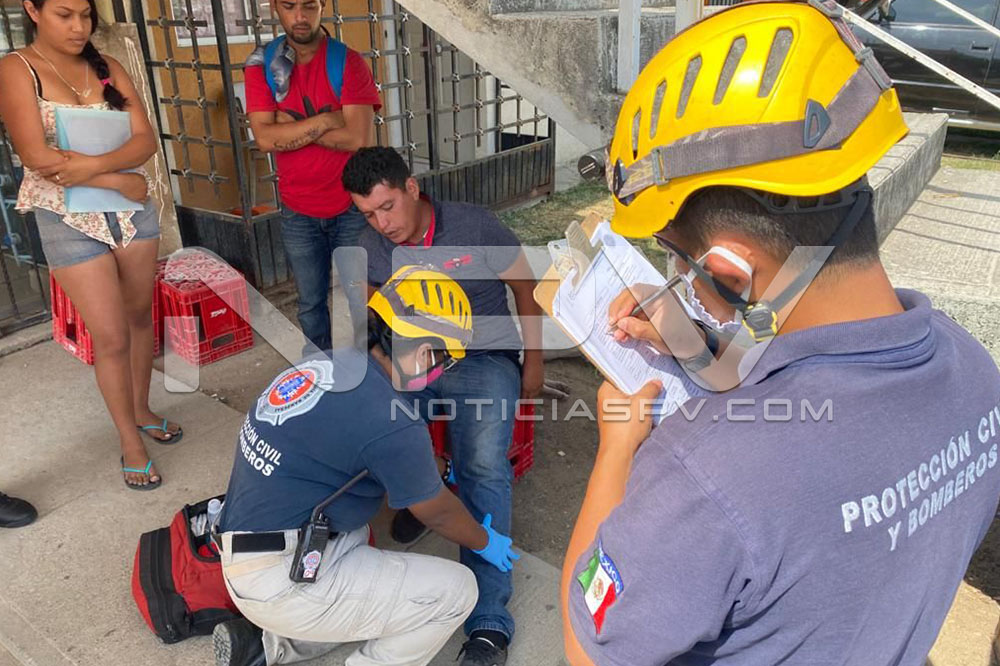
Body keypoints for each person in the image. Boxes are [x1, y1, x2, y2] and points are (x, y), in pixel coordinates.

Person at [561, 2, 1000, 665]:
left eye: (676, 259)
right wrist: (692, 339)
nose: (676, 277)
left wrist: (617, 449)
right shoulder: (973, 369)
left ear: (729, 267)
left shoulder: (705, 474)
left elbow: (588, 651)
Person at [212, 266, 519, 666]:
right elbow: (438, 512)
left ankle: (267, 646)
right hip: (280, 578)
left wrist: (439, 470)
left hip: (248, 548)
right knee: (456, 592)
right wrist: (483, 541)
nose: (441, 372)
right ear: (425, 352)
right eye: (445, 359)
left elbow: (368, 444)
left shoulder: (332, 363)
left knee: (368, 547)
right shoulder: (394, 421)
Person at [344, 146, 544, 666]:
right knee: (368, 430)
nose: (382, 223)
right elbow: (366, 322)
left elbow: (526, 289)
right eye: (368, 213)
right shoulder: (371, 245)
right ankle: (427, 494)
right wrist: (387, 372)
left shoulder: (474, 226)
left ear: (411, 188)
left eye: (387, 206)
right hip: (414, 360)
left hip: (484, 358)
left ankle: (489, 619)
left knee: (484, 467)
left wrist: (534, 362)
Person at [0, 0, 180, 490]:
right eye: (64, 15)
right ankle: (129, 441)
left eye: (85, 14)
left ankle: (142, 409)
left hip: (131, 213)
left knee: (140, 318)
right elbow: (37, 157)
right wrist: (119, 179)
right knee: (111, 336)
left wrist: (92, 168)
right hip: (68, 218)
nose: (79, 26)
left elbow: (145, 140)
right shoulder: (17, 70)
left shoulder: (108, 66)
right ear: (32, 10)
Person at [244, 0, 382, 352]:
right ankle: (318, 370)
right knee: (310, 305)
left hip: (352, 205)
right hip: (298, 209)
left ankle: (374, 369)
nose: (300, 16)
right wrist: (326, 120)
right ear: (275, 8)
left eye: (309, 5)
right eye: (289, 6)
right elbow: (265, 140)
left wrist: (291, 127)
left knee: (364, 300)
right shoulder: (262, 65)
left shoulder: (347, 62)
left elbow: (357, 138)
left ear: (322, 5)